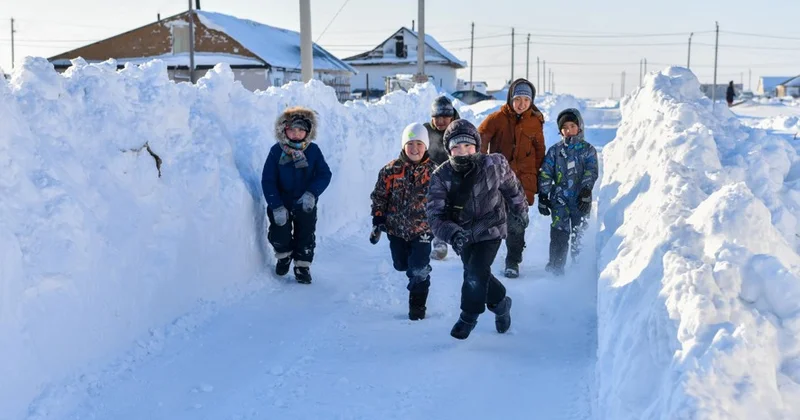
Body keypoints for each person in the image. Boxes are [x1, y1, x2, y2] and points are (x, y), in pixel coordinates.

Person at [426, 119, 529, 340]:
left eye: (468, 146)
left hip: (490, 228)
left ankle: (468, 317)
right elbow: (435, 215)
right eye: (456, 147)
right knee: (479, 272)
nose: (462, 152)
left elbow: (513, 188)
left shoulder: (494, 164)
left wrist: (520, 211)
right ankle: (501, 304)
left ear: (477, 146)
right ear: (448, 150)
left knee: (474, 272)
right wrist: (452, 233)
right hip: (462, 234)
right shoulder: (441, 176)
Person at [477, 78, 545, 278]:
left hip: (523, 181)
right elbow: (480, 137)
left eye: (526, 99)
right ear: (510, 99)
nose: (522, 104)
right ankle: (484, 257)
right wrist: (481, 163)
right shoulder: (497, 118)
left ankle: (513, 261)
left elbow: (539, 151)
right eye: (518, 99)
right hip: (498, 180)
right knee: (494, 220)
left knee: (516, 223)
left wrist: (540, 176)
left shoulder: (535, 121)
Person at [369, 122, 437, 320]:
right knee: (400, 264)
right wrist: (378, 220)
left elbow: (443, 199)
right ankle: (415, 274)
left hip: (424, 228)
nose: (414, 149)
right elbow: (379, 197)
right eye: (410, 144)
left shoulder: (435, 172)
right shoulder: (390, 170)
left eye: (419, 144)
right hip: (396, 229)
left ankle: (417, 306)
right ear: (403, 146)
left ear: (426, 146)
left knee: (419, 268)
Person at [261, 106, 332, 284]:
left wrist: (312, 193)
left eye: (301, 130)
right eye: (292, 129)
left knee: (306, 234)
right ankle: (284, 256)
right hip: (281, 201)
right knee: (279, 232)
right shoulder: (276, 151)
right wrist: (275, 205)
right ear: (284, 130)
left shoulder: (313, 151)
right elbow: (268, 180)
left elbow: (325, 174)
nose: (296, 133)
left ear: (308, 131)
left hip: (305, 202)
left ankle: (302, 266)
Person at [537, 108, 598, 276]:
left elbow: (591, 171)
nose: (568, 130)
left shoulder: (588, 150)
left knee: (580, 234)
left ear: (580, 126)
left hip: (581, 199)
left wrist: (586, 191)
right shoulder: (555, 151)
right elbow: (546, 172)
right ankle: (555, 269)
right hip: (560, 200)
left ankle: (580, 271)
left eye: (572, 125)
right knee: (559, 233)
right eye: (564, 127)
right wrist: (543, 195)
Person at [423, 96, 461, 260]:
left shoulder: (459, 130)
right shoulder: (424, 130)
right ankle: (436, 243)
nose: (441, 121)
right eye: (437, 117)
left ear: (451, 117)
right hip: (428, 177)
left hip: (453, 177)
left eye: (445, 117)